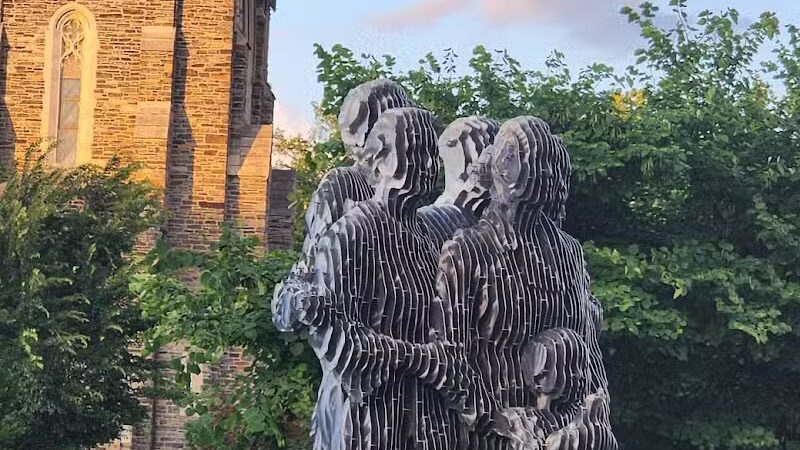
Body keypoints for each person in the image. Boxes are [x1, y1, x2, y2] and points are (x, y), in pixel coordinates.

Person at [434, 116, 616, 449]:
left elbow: (589, 356)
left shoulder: (567, 253)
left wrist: (592, 419)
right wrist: (501, 424)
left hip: (562, 427)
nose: (524, 173)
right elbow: (449, 359)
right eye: (510, 157)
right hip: (488, 433)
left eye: (531, 159)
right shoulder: (467, 250)